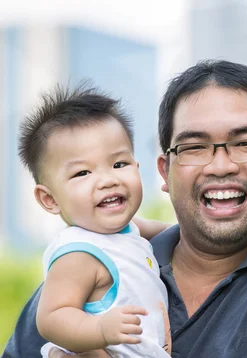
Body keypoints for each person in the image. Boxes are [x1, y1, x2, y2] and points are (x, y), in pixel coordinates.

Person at [3, 60, 247, 358]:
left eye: (246, 143)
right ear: (164, 170)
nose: (221, 165)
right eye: (194, 147)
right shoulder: (93, 263)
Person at [16, 84, 170, 357]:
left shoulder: (129, 230)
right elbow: (52, 316)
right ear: (49, 199)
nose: (107, 180)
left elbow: (170, 232)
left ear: (137, 167)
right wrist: (99, 329)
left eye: (119, 164)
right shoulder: (79, 254)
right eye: (83, 173)